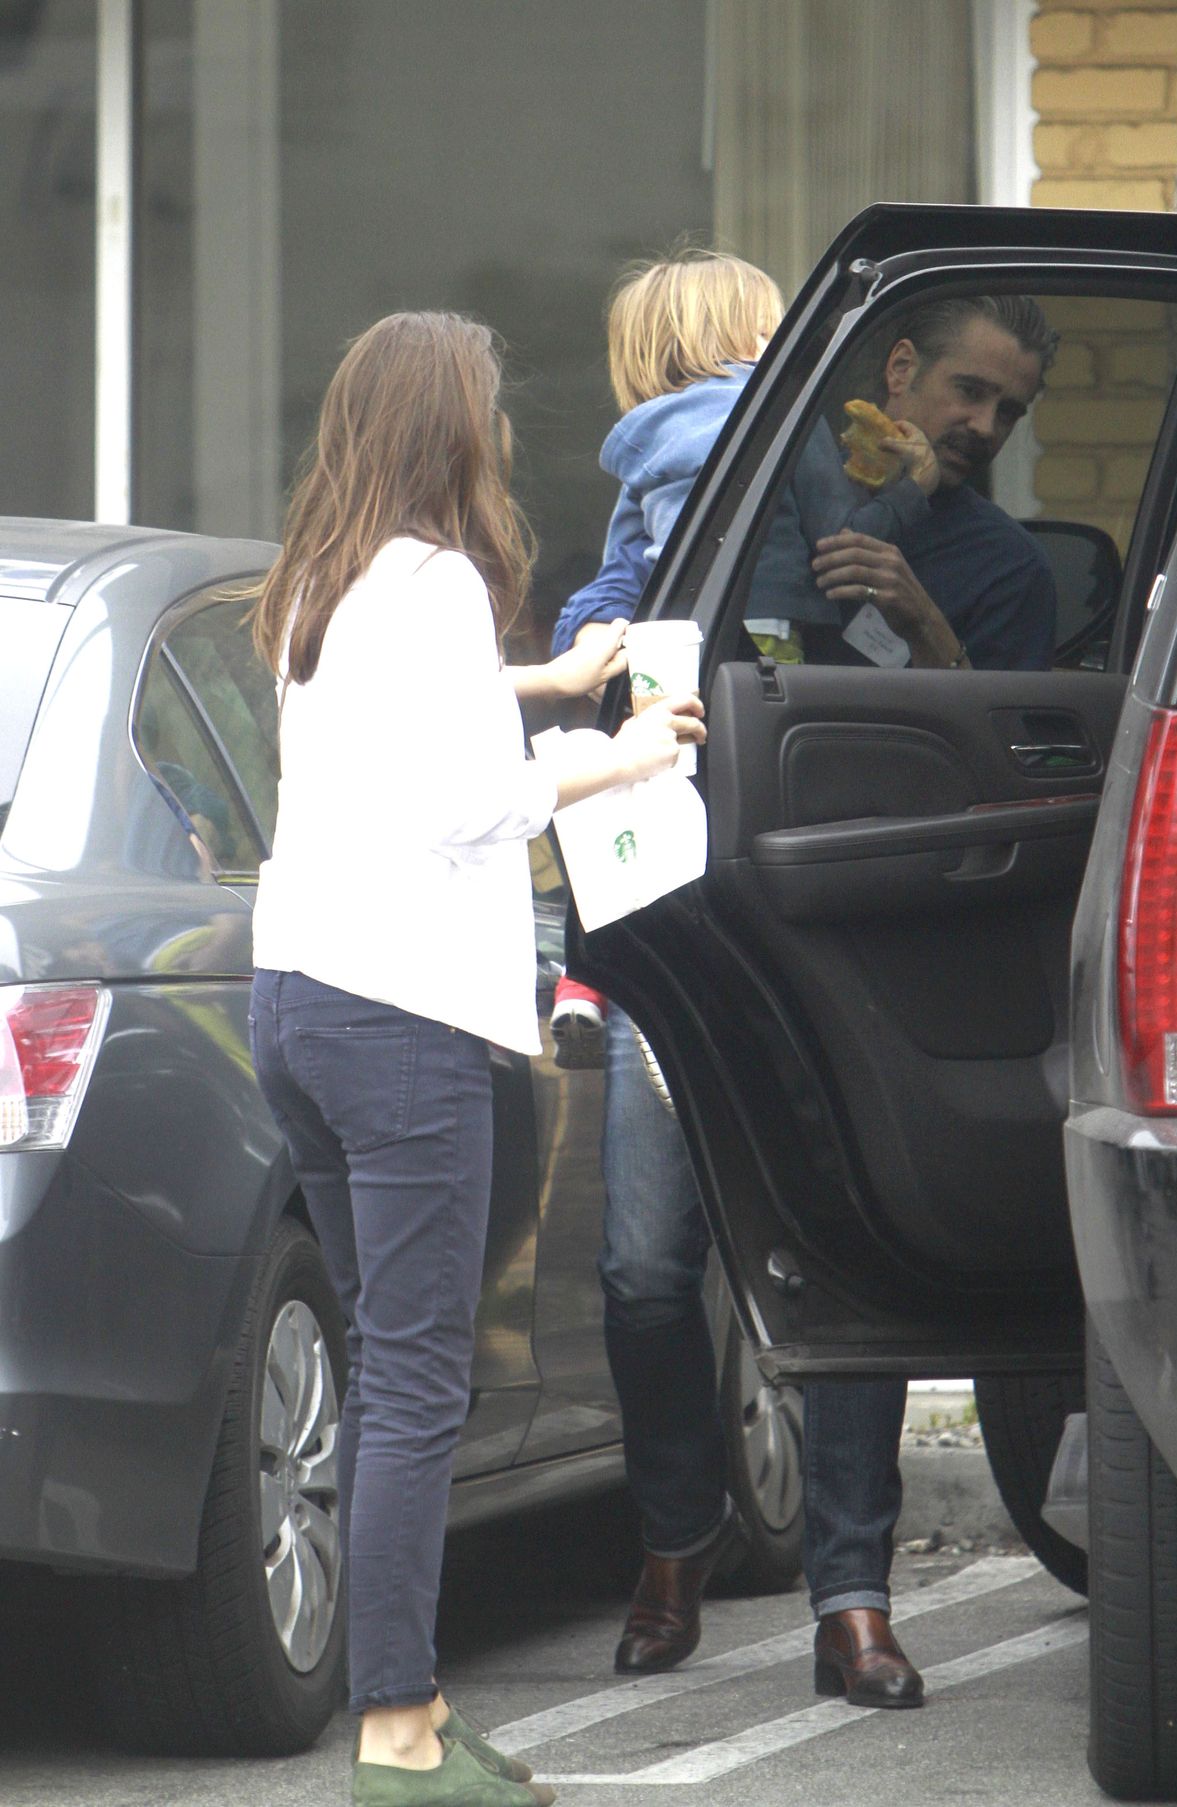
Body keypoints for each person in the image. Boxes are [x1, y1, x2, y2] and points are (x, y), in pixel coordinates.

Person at [559, 281, 1058, 1711]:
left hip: (854, 941)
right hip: (680, 921)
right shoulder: (735, 497)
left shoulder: (1000, 561)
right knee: (647, 1269)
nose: (983, 426)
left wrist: (920, 624)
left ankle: (855, 1594)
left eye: (1009, 411)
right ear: (895, 370)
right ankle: (675, 1535)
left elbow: (1022, 747)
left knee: (850, 1270)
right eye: (970, 393)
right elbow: (610, 653)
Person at [246, 310, 704, 1807]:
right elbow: (462, 800)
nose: (504, 431)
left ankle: (417, 1708)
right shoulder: (435, 579)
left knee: (389, 1361)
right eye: (492, 409)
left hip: (300, 1000)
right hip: (404, 1019)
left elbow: (396, 733)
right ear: (450, 425)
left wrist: (556, 680)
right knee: (419, 1376)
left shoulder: (325, 576)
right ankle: (394, 1736)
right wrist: (624, 752)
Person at [548, 250, 938, 1066]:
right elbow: (844, 541)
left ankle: (588, 977)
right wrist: (914, 490)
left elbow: (621, 569)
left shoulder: (641, 445)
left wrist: (582, 640)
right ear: (753, 337)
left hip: (668, 664)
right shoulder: (783, 425)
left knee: (628, 798)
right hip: (767, 649)